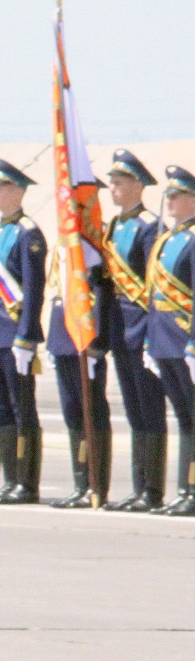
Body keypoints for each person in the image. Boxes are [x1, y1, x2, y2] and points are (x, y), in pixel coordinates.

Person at [98, 150, 168, 511]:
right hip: (120, 333)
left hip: (141, 332)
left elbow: (156, 288)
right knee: (133, 412)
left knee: (149, 409)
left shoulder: (149, 228)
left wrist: (151, 336)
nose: (112, 188)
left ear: (138, 185)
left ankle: (152, 490)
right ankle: (138, 486)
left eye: (119, 182)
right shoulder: (114, 228)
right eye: (111, 182)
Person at [0, 160, 47, 504]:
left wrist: (27, 335)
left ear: (17, 191)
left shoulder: (27, 233)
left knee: (22, 408)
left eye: (0, 187)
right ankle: (8, 479)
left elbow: (33, 290)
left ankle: (25, 482)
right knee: (0, 406)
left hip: (14, 332)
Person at [43, 232, 112, 507]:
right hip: (63, 337)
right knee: (73, 412)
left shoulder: (90, 245)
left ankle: (96, 486)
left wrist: (96, 343)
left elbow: (100, 293)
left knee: (91, 412)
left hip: (84, 338)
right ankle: (81, 483)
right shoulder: (65, 242)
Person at [146, 166, 195, 515]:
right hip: (164, 341)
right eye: (168, 195)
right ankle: (185, 490)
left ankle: (191, 489)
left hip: (185, 341)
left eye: (177, 195)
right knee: (184, 418)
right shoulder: (168, 238)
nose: (170, 201)